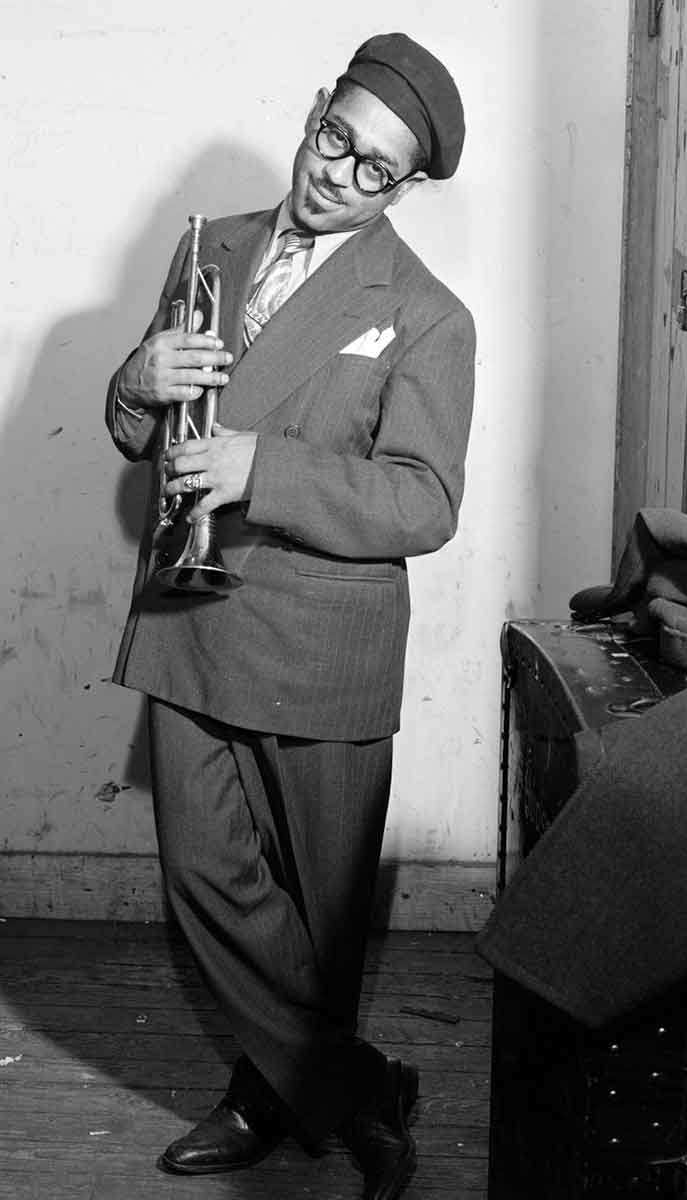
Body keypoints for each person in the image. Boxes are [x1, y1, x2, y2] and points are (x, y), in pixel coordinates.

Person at [105, 32, 474, 1200]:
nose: (337, 175)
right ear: (315, 108)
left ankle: (267, 1097)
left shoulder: (426, 315)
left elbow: (424, 502)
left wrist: (262, 466)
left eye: (374, 169)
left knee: (321, 917)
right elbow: (143, 427)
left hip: (323, 643)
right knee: (204, 880)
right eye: (334, 137)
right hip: (191, 616)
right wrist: (133, 383)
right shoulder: (204, 248)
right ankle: (356, 1092)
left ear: (401, 187)